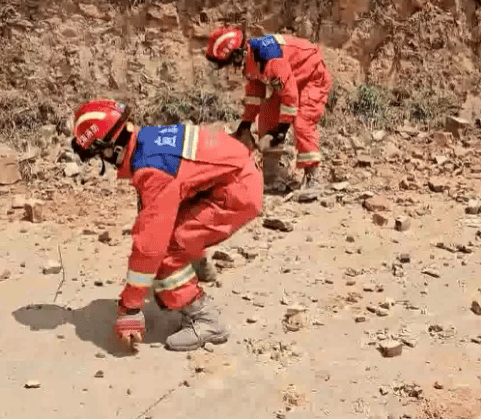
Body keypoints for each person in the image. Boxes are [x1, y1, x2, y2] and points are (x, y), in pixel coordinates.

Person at [70, 99, 263, 352]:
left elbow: (150, 246)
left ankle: (205, 319)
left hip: (236, 192)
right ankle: (195, 263)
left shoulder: (152, 169)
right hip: (233, 177)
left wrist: (130, 307)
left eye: (99, 155)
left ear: (110, 148)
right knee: (171, 233)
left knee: (166, 251)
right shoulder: (148, 142)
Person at [205, 26, 333, 194]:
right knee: (267, 118)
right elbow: (254, 94)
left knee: (303, 124)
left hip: (311, 76)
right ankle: (272, 176)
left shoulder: (269, 57)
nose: (229, 69)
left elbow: (290, 95)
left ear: (237, 55)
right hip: (289, 80)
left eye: (228, 64)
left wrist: (280, 131)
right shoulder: (251, 58)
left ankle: (312, 179)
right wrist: (246, 124)